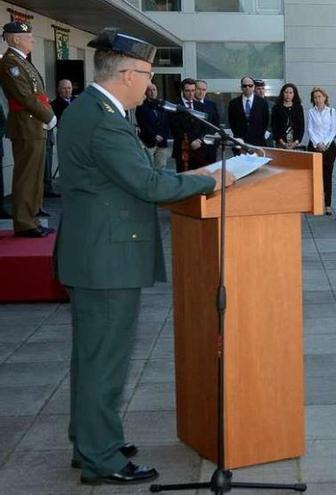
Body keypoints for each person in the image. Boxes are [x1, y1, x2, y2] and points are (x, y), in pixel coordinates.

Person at [55, 28, 231, 486]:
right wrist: (213, 181)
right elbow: (149, 185)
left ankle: (90, 439)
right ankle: (101, 456)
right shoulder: (102, 118)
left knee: (92, 357)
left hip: (94, 253)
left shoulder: (89, 110)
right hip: (105, 258)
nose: (150, 84)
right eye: (148, 74)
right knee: (105, 359)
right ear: (128, 74)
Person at [0, 21, 56, 237]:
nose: (32, 40)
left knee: (35, 175)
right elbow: (23, 96)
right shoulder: (10, 63)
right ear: (14, 39)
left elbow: (37, 93)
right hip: (27, 125)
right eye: (28, 36)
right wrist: (48, 116)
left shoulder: (23, 62)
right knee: (26, 175)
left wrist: (46, 116)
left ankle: (32, 217)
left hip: (35, 124)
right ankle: (24, 222)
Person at [306, 86, 336, 215]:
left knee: (327, 176)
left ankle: (328, 204)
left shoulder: (331, 111)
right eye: (315, 97)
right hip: (314, 146)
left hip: (328, 148)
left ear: (325, 97)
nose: (317, 99)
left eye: (319, 96)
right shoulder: (311, 112)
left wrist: (325, 143)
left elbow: (333, 130)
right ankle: (316, 204)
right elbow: (310, 129)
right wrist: (317, 143)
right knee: (315, 176)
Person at [168, 78, 207, 172]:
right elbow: (174, 127)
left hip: (199, 148)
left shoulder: (200, 106)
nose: (191, 94)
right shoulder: (174, 105)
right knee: (184, 176)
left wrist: (199, 140)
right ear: (182, 91)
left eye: (193, 90)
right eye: (188, 91)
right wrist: (190, 141)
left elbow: (204, 126)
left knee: (199, 176)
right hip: (182, 149)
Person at [45, 79, 75, 199]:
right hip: (65, 136)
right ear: (59, 90)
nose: (67, 91)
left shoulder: (77, 101)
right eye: (64, 88)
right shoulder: (54, 105)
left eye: (69, 88)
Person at [134, 83, 171, 169]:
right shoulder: (141, 107)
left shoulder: (162, 105)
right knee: (148, 167)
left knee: (161, 167)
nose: (152, 92)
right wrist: (154, 135)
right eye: (149, 90)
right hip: (148, 142)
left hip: (162, 143)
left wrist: (163, 135)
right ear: (146, 92)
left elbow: (166, 123)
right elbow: (143, 124)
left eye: (154, 90)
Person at [228, 76, 270, 147]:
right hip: (240, 142)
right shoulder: (233, 103)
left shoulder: (262, 102)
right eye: (245, 86)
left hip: (258, 142)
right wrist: (238, 137)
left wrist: (259, 135)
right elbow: (232, 122)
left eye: (250, 85)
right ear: (241, 87)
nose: (247, 88)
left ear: (253, 87)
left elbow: (265, 121)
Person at [271, 83, 305, 149]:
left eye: (290, 93)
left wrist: (296, 142)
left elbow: (301, 127)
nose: (288, 95)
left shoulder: (298, 108)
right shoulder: (276, 108)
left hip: (295, 144)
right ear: (282, 93)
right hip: (280, 144)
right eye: (286, 92)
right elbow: (274, 127)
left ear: (294, 94)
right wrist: (283, 143)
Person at [194, 79, 220, 162]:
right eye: (198, 89)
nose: (201, 92)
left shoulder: (211, 104)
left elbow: (216, 123)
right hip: (196, 144)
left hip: (210, 144)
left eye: (203, 90)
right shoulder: (189, 105)